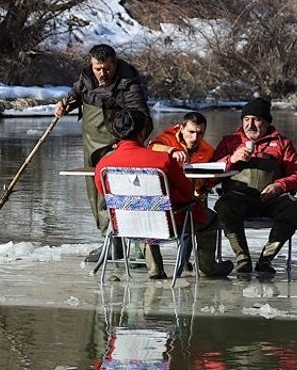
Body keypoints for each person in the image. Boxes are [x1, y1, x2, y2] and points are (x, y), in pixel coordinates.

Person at [94, 109, 234, 279]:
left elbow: (104, 194)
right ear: (143, 132)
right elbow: (187, 192)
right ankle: (207, 268)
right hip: (168, 224)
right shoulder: (161, 160)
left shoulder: (104, 164)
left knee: (144, 212)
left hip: (125, 225)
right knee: (210, 218)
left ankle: (155, 269)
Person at [55, 44, 150, 234]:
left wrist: (129, 142)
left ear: (114, 64)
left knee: (111, 190)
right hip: (91, 141)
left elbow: (142, 117)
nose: (101, 73)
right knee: (93, 188)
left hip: (118, 144)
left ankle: (122, 237)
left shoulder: (129, 82)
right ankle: (106, 237)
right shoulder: (86, 76)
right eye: (97, 68)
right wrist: (65, 104)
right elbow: (76, 93)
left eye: (106, 68)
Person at [212, 97, 297, 276]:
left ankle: (266, 259)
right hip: (238, 200)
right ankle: (242, 258)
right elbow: (210, 175)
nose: (251, 124)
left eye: (256, 119)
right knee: (224, 205)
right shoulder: (229, 142)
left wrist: (280, 185)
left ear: (266, 121)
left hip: (271, 200)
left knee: (294, 207)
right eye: (246, 119)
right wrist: (231, 159)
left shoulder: (282, 143)